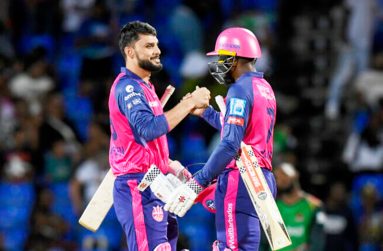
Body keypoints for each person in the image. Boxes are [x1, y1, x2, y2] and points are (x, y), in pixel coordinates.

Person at [165, 27, 278, 250]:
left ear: (234, 58)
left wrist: (199, 181)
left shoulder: (240, 89)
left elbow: (230, 143)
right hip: (261, 179)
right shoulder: (264, 88)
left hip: (241, 179)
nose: (218, 63)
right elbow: (241, 132)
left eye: (222, 57)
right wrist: (207, 112)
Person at [109, 21, 210, 251]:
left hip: (156, 180)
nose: (157, 50)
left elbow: (146, 138)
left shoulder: (145, 87)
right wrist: (190, 104)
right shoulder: (128, 88)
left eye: (157, 45)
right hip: (137, 185)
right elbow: (148, 128)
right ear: (130, 51)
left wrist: (168, 163)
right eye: (149, 46)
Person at [271, 162, 326, 251]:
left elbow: (317, 241)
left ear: (296, 174)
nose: (281, 179)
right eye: (277, 177)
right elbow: (264, 241)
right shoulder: (271, 206)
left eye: (284, 174)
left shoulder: (314, 205)